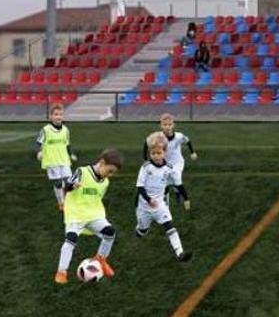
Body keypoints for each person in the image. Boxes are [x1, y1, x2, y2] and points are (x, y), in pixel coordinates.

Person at [54, 148, 122, 284]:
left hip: (93, 214)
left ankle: (101, 259)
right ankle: (61, 271)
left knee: (110, 233)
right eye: (110, 171)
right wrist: (72, 186)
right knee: (71, 239)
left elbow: (98, 198)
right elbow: (66, 187)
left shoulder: (105, 182)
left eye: (113, 173)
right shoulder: (82, 172)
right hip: (76, 214)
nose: (110, 175)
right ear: (102, 163)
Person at [136, 132, 192, 262]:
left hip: (160, 205)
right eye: (153, 153)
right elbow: (139, 187)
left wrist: (186, 198)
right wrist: (149, 200)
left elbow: (179, 184)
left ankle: (180, 253)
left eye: (159, 153)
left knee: (170, 226)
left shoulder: (170, 168)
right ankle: (139, 231)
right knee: (142, 230)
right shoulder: (145, 168)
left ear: (164, 152)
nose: (156, 156)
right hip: (145, 206)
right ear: (150, 153)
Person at [143, 113, 197, 205]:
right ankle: (165, 199)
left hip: (177, 163)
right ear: (161, 125)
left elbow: (187, 140)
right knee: (164, 181)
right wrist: (145, 158)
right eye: (165, 125)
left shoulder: (179, 136)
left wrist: (192, 152)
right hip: (165, 163)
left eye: (169, 124)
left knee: (176, 177)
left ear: (173, 125)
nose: (167, 127)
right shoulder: (158, 137)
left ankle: (186, 200)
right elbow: (146, 143)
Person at [34, 103, 77, 212]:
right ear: (51, 116)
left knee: (68, 182)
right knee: (58, 183)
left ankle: (69, 202)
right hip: (51, 161)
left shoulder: (66, 130)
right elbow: (38, 143)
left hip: (64, 160)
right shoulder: (46, 130)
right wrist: (38, 152)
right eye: (56, 114)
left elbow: (67, 144)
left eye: (60, 114)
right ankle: (61, 203)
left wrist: (71, 154)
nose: (58, 117)